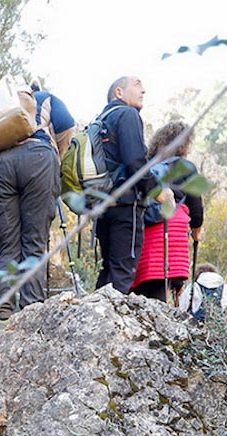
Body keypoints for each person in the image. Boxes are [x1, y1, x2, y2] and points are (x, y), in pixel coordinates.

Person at [0, 78, 75, 314]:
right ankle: (31, 312)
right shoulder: (47, 98)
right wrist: (56, 157)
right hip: (39, 159)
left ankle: (4, 313)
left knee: (7, 246)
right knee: (34, 244)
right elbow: (67, 125)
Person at [131, 122, 204, 304]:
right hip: (172, 235)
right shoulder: (186, 167)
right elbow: (196, 210)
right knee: (163, 291)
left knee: (146, 289)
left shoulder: (146, 167)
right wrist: (196, 233)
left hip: (144, 232)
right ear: (183, 144)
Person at [92, 74, 149, 293]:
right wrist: (156, 190)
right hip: (126, 203)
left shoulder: (101, 119)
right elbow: (135, 161)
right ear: (119, 93)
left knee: (108, 269)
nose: (143, 90)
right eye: (138, 84)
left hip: (103, 203)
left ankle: (94, 318)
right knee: (123, 270)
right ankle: (110, 325)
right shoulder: (127, 114)